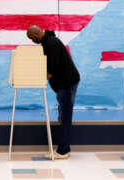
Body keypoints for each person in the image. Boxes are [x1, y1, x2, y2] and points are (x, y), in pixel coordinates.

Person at [27, 25, 80, 159]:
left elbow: (53, 68)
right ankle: (63, 147)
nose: (33, 41)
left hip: (66, 84)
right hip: (67, 83)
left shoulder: (51, 43)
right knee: (63, 115)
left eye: (31, 38)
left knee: (65, 117)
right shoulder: (50, 42)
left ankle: (63, 151)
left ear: (35, 36)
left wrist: (37, 77)